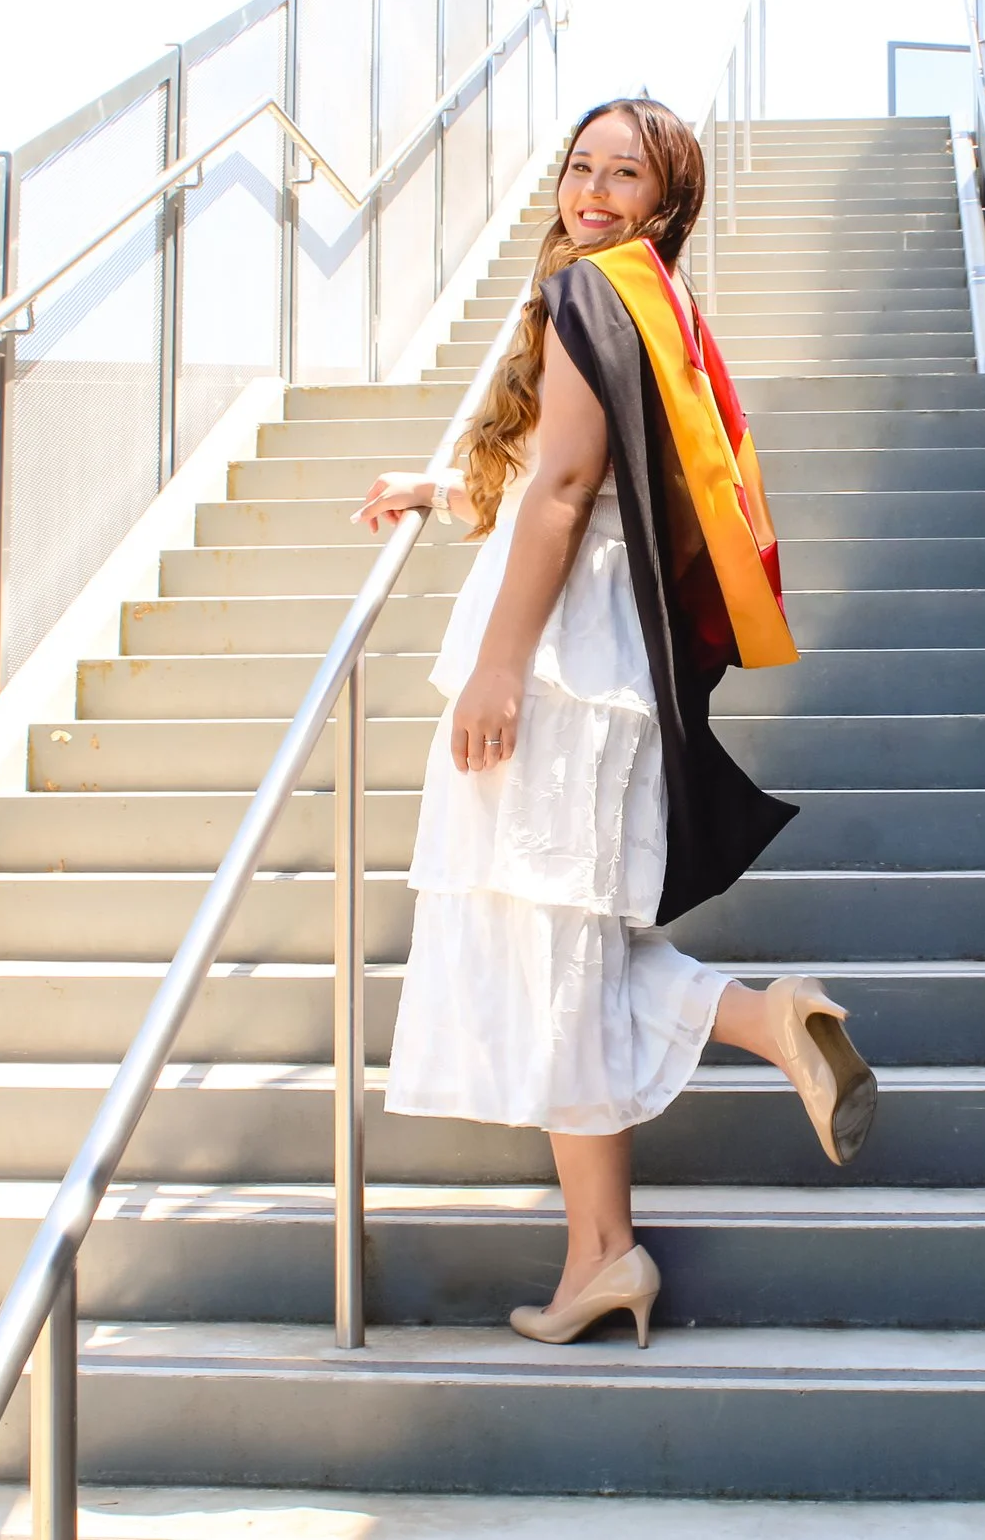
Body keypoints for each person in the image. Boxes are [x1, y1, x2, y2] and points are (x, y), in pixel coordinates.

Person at [349, 97, 875, 1350]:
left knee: (547, 953)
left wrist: (495, 666)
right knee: (557, 955)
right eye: (578, 166)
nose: (590, 189)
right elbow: (561, 468)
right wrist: (441, 487)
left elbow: (571, 488)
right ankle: (605, 1248)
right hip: (597, 656)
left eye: (621, 172)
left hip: (555, 666)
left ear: (668, 196)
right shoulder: (638, 302)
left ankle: (738, 1043)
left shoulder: (592, 296)